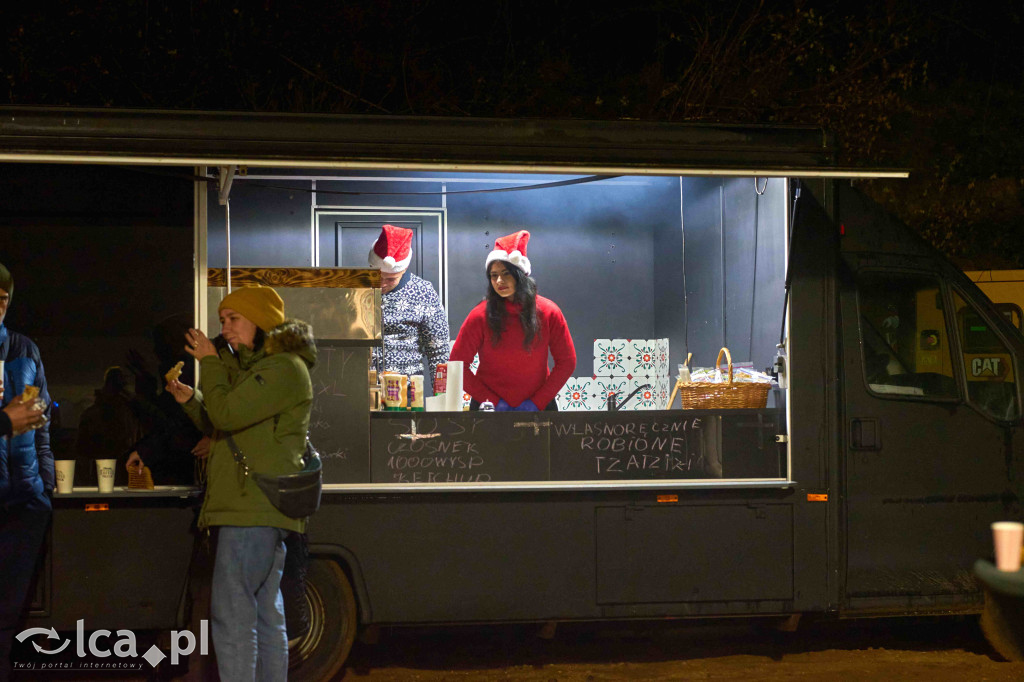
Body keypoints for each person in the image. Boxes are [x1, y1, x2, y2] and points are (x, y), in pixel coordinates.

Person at [166, 285, 315, 680]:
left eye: (233, 319)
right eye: (222, 321)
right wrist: (191, 401)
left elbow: (229, 413)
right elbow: (229, 427)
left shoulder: (282, 367)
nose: (225, 329)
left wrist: (211, 364)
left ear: (261, 321)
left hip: (253, 507)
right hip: (257, 506)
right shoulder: (262, 368)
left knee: (233, 616)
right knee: (265, 613)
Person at [450, 230, 576, 411]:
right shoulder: (479, 315)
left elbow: (567, 362)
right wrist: (492, 401)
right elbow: (457, 365)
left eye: (506, 273)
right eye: (494, 275)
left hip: (539, 408)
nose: (499, 280)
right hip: (489, 409)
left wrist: (537, 402)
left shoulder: (549, 312)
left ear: (521, 274)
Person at [0, 262, 54, 682]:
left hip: (25, 502)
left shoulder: (24, 349)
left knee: (9, 612)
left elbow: (40, 422)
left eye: (2, 300)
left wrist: (46, 485)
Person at [368, 224, 450, 391]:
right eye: (377, 276)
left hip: (406, 394)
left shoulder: (423, 292)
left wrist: (443, 399)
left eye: (390, 279)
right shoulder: (355, 287)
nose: (382, 283)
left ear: (404, 269)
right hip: (359, 391)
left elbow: (439, 353)